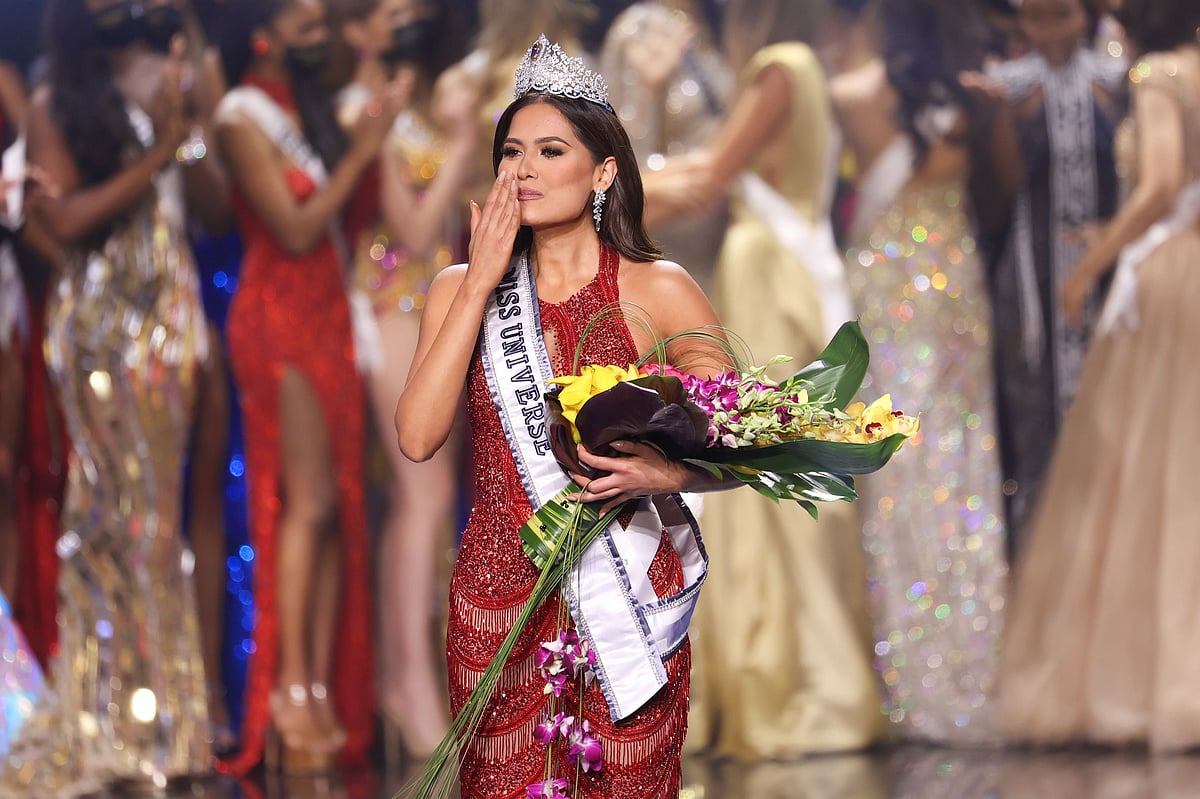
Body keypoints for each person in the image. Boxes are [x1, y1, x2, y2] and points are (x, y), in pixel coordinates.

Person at [395, 34, 731, 798]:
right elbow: (416, 436)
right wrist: (480, 279)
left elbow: (745, 437)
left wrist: (666, 469)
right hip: (498, 598)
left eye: (550, 151)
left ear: (603, 169)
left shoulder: (659, 288)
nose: (524, 170)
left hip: (630, 604)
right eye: (512, 152)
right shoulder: (459, 290)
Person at [644, 0, 880, 758]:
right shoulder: (800, 69)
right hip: (788, 269)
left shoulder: (779, 70)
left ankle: (794, 681)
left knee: (763, 475)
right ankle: (791, 673)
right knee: (774, 472)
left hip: (767, 273)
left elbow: (709, 180)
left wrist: (600, 182)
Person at [1, 0, 225, 792]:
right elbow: (60, 218)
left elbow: (211, 204)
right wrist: (160, 147)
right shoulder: (54, 95)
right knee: (107, 520)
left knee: (157, 527)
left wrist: (189, 125)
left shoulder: (163, 72)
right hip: (98, 326)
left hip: (164, 316)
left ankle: (166, 725)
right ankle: (107, 721)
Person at [1000, 0, 1200, 750]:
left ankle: (1155, 680)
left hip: (1170, 278)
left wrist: (1089, 263)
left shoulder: (1158, 76)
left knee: (1150, 467)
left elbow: (1158, 184)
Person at [213, 0, 401, 775]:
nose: (315, 18)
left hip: (329, 309)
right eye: (300, 12)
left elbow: (342, 220)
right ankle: (289, 685)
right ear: (262, 24)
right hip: (277, 314)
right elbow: (292, 227)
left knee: (335, 509)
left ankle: (320, 680)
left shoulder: (309, 107)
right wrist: (360, 155)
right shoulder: (238, 116)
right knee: (306, 500)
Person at [833, 0, 1008, 745]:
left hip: (884, 286)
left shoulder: (849, 94)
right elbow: (1001, 194)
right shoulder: (971, 95)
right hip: (954, 283)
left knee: (896, 464)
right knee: (960, 464)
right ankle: (970, 666)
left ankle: (905, 673)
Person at [329, 0, 472, 761]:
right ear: (361, 30)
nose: (408, 15)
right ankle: (407, 684)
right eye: (391, 9)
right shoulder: (362, 108)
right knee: (421, 493)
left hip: (436, 311)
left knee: (428, 498)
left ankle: (414, 675)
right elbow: (412, 228)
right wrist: (455, 145)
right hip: (387, 307)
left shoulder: (425, 102)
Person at [960, 0, 1126, 545]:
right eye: (1037, 17)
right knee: (1032, 409)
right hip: (1029, 280)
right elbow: (994, 194)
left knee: (1112, 403)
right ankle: (1043, 554)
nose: (1050, 30)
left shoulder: (1118, 83)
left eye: (1062, 15)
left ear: (1087, 16)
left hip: (1106, 274)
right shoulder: (1003, 89)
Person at [600, 0, 733, 294]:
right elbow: (621, 159)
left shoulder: (710, 25)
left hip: (720, 237)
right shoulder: (640, 27)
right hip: (672, 239)